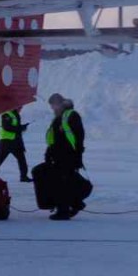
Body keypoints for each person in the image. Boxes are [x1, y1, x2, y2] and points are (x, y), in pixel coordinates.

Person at [44, 93, 86, 221]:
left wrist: (78, 155)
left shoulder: (71, 115)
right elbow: (53, 139)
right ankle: (75, 204)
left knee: (62, 183)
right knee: (65, 182)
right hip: (58, 156)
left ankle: (64, 211)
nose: (52, 108)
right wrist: (48, 153)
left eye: (53, 105)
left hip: (68, 156)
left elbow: (79, 136)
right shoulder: (59, 118)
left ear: (59, 103)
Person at [0, 107, 31, 182]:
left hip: (16, 141)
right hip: (7, 141)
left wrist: (22, 127)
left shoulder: (15, 115)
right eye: (20, 107)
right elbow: (7, 127)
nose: (20, 108)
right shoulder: (6, 114)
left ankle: (24, 176)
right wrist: (20, 128)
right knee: (0, 159)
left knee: (21, 159)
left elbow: (15, 127)